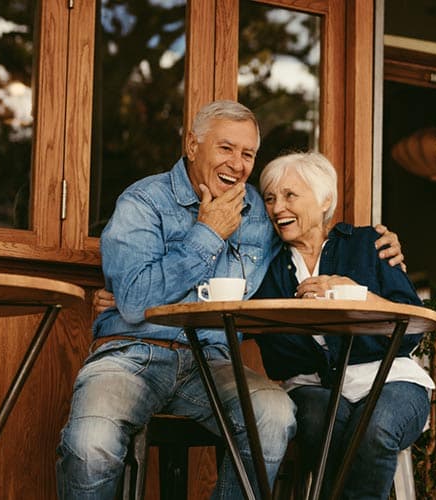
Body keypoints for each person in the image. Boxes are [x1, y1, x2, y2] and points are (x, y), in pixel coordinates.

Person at [59, 100, 404, 499]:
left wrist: (378, 247)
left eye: (248, 154)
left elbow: (311, 235)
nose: (237, 164)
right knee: (90, 443)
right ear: (192, 145)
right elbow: (135, 301)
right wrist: (207, 233)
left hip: (213, 362)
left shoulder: (261, 211)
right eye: (226, 148)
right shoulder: (143, 202)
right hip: (134, 353)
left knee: (273, 417)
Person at [255, 151, 433, 499]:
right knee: (324, 423)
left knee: (376, 427)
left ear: (324, 200)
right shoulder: (267, 266)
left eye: (290, 195)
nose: (278, 208)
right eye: (270, 198)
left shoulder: (368, 245)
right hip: (311, 387)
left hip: (390, 379)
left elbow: (412, 323)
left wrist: (356, 296)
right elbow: (275, 353)